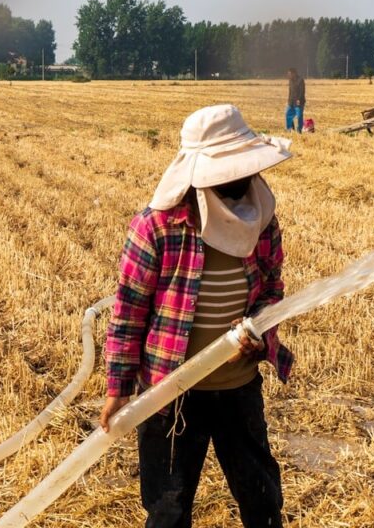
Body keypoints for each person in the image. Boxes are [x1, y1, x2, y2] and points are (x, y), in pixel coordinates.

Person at [100, 104, 294, 528]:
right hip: (170, 396)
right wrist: (118, 387)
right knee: (168, 510)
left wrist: (261, 330)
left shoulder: (262, 221)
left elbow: (272, 290)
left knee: (262, 500)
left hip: (238, 388)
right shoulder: (157, 228)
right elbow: (128, 312)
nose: (241, 179)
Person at [286, 67, 306, 133]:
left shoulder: (300, 80)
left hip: (298, 102)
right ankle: (290, 128)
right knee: (288, 114)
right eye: (288, 74)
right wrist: (288, 101)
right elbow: (290, 91)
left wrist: (299, 100)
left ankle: (299, 130)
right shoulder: (290, 80)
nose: (288, 75)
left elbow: (302, 91)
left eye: (290, 74)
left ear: (294, 73)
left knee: (299, 116)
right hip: (291, 102)